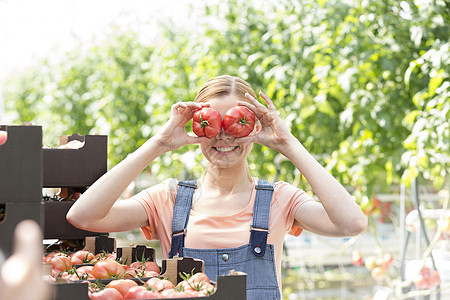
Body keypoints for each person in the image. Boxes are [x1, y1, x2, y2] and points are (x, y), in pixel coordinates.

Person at [67, 75, 368, 299]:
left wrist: (288, 144)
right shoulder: (168, 199)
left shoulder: (280, 198)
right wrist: (157, 144)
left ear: (255, 128)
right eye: (211, 124)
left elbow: (351, 223)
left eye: (237, 123)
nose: (224, 136)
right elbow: (84, 216)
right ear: (195, 125)